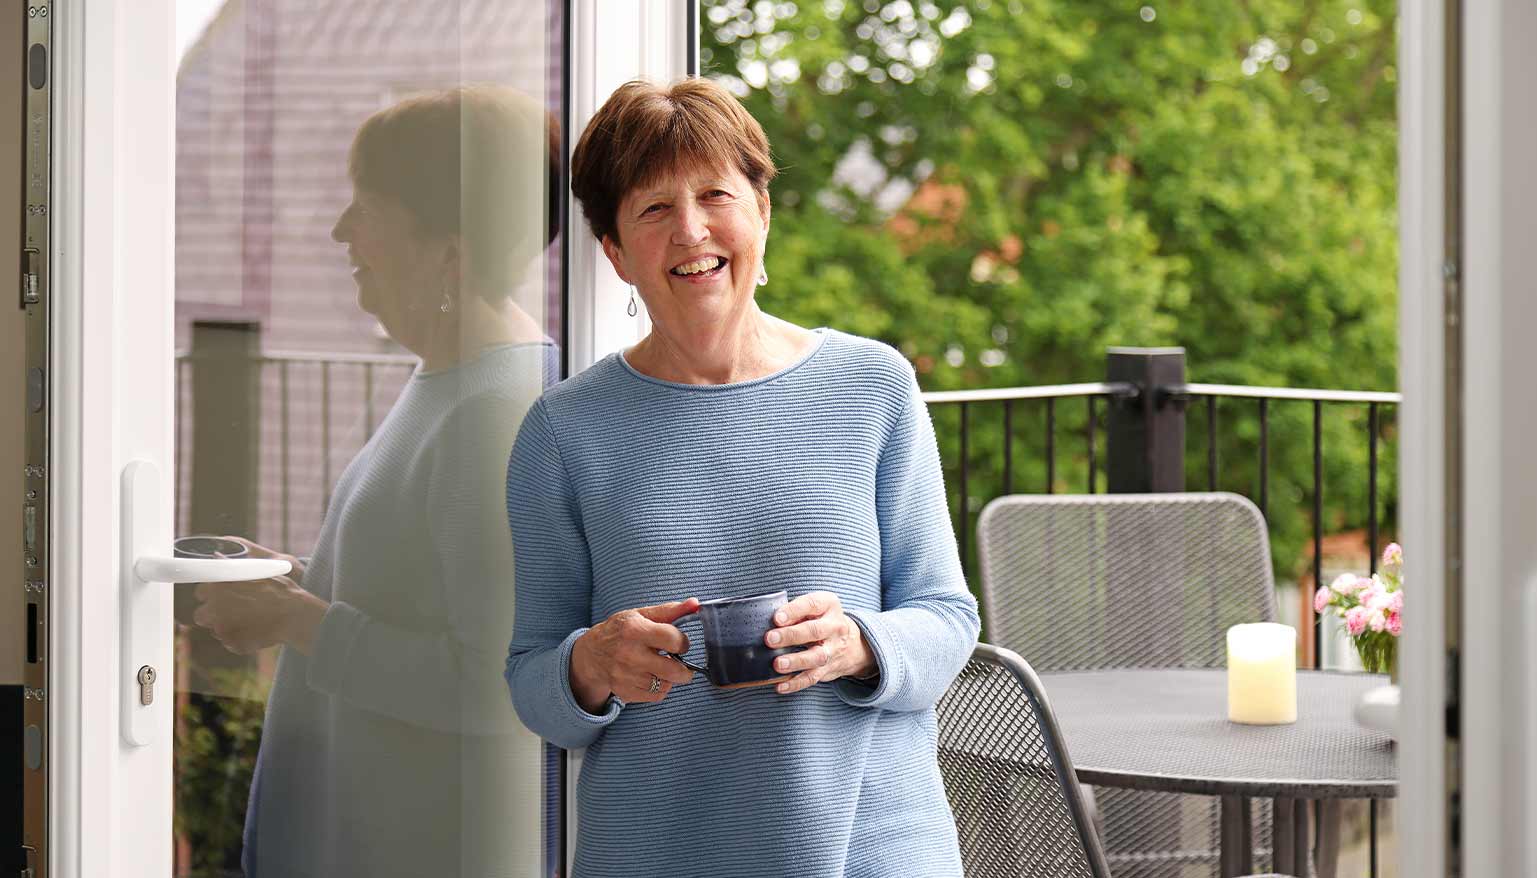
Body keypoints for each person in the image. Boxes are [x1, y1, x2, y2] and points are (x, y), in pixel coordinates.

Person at [504, 78, 979, 878]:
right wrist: (590, 663)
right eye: (654, 209)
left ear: (762, 212)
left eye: (715, 194)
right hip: (657, 852)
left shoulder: (875, 386)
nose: (691, 230)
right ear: (616, 251)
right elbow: (532, 678)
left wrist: (859, 643)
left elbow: (947, 616)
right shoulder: (563, 432)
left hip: (872, 849)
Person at [192, 85, 560, 877]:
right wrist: (298, 582)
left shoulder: (497, 412)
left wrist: (300, 622)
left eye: (367, 206)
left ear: (447, 251)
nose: (339, 230)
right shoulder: (451, 382)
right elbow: (419, 585)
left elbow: (494, 683)